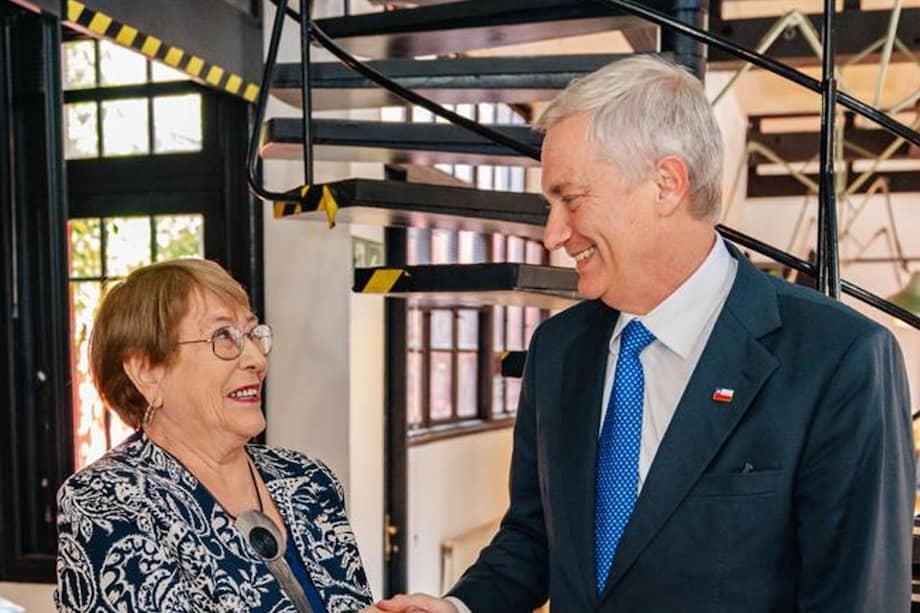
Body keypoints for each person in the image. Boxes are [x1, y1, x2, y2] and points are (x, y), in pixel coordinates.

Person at [378, 55, 915, 612]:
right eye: (549, 205)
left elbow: (859, 600)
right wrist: (459, 607)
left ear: (666, 184)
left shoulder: (841, 358)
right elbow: (535, 537)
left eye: (571, 198)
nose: (552, 234)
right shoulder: (558, 349)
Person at [55, 259, 381, 613]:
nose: (256, 358)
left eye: (253, 334)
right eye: (223, 336)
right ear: (146, 372)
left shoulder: (308, 481)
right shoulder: (107, 501)